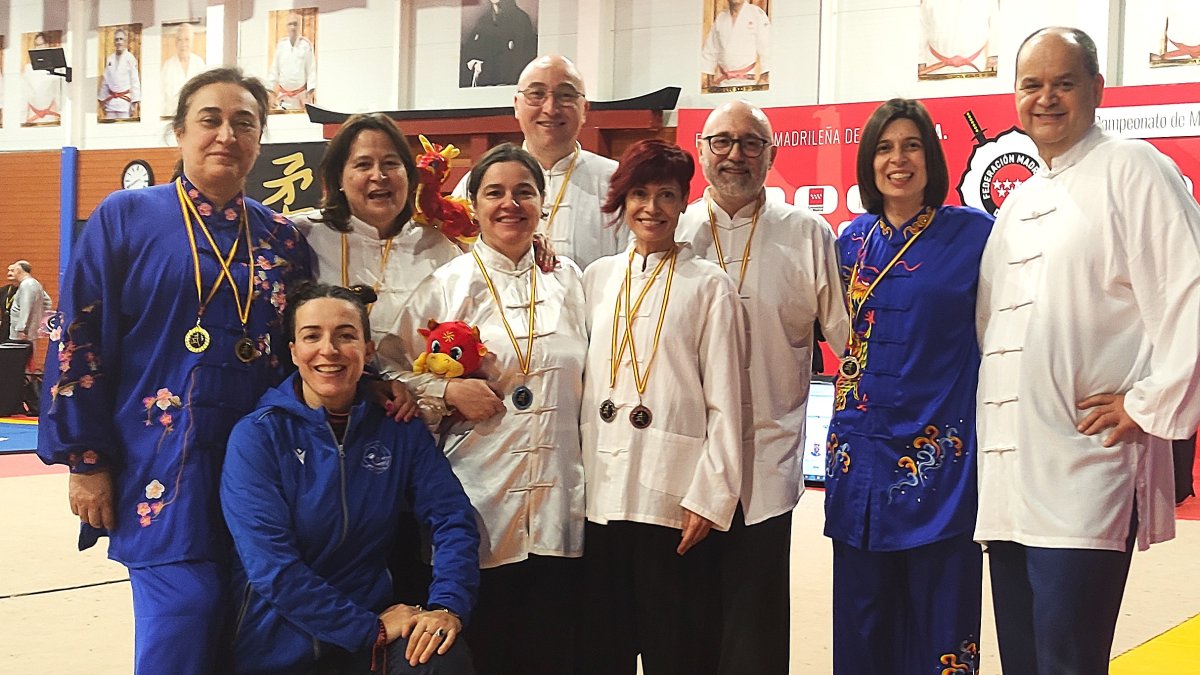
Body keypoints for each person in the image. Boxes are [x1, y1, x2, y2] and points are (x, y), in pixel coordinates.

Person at [37, 67, 311, 675]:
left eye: (244, 122)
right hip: (157, 460)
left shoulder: (283, 238)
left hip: (261, 462)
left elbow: (308, 350)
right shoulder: (126, 216)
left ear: (260, 139)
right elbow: (78, 337)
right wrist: (87, 461)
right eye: (209, 120)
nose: (226, 135)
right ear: (179, 133)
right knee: (183, 613)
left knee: (255, 622)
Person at [975, 27, 1200, 674]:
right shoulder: (1017, 204)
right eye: (1031, 85)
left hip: (1084, 474)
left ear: (1096, 89)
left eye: (1063, 82)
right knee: (1022, 661)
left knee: (1069, 661)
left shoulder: (1134, 168)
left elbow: (1191, 290)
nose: (1046, 98)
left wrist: (1146, 402)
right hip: (1009, 482)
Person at [381, 143, 588, 674]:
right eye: (494, 192)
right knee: (488, 651)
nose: (509, 204)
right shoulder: (448, 284)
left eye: (524, 192)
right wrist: (445, 392)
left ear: (543, 203)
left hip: (561, 501)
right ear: (472, 204)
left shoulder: (569, 279)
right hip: (477, 499)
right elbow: (384, 373)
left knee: (555, 652)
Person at [221, 283, 479, 674]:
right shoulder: (257, 436)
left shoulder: (397, 426)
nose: (329, 350)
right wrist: (367, 629)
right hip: (280, 648)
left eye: (346, 336)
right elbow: (273, 567)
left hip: (370, 640)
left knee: (437, 655)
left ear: (368, 351)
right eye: (312, 336)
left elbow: (452, 517)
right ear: (293, 351)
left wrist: (447, 606)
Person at [676, 100, 849, 675]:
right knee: (686, 630)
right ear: (700, 151)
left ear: (772, 155)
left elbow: (850, 346)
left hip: (767, 465)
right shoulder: (671, 233)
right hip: (683, 469)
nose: (735, 155)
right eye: (721, 141)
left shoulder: (807, 234)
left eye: (751, 143)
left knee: (756, 637)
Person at [823, 98, 993, 674]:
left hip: (938, 468)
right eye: (885, 148)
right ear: (869, 162)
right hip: (859, 462)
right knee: (861, 626)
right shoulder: (847, 243)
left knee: (940, 628)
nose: (898, 159)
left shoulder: (975, 236)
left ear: (932, 157)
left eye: (912, 145)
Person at [579, 139, 745, 675]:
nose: (652, 207)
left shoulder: (709, 285)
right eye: (640, 193)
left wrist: (711, 497)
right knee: (603, 646)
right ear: (623, 200)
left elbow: (725, 404)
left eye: (667, 195)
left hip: (673, 502)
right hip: (601, 494)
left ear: (683, 203)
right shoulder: (596, 278)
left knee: (678, 648)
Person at [454, 55, 622, 269]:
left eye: (565, 95)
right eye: (536, 94)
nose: (551, 109)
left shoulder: (618, 182)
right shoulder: (479, 183)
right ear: (516, 105)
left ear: (584, 110)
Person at [461, 0, 536, 88]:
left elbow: (519, 57)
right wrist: (474, 61)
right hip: (484, 84)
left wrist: (485, 65)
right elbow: (471, 50)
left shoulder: (521, 19)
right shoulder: (484, 20)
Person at [700, 0, 771, 90]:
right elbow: (711, 49)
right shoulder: (721, 17)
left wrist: (764, 78)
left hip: (748, 80)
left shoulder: (756, 13)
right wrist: (709, 80)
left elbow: (767, 47)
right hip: (722, 81)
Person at [268, 12, 316, 111]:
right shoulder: (281, 46)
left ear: (299, 26)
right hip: (283, 96)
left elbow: (311, 70)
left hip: (301, 96)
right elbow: (274, 71)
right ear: (286, 26)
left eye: (295, 24)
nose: (293, 27)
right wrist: (271, 94)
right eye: (290, 24)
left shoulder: (305, 45)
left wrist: (309, 94)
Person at [161, 23, 208, 115]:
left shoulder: (199, 63)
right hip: (172, 115)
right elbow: (161, 97)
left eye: (187, 40)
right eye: (179, 40)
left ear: (192, 42)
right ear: (175, 43)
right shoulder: (168, 66)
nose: (183, 44)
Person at [98, 27, 141, 120]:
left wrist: (135, 101)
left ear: (125, 42)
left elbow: (135, 81)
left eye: (121, 39)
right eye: (117, 39)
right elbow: (105, 80)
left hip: (124, 102)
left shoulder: (130, 58)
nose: (119, 42)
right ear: (114, 42)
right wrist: (101, 99)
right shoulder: (110, 59)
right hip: (111, 102)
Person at [23, 32, 62, 125]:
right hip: (33, 114)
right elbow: (25, 93)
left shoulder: (57, 68)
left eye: (41, 44)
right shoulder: (28, 68)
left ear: (47, 45)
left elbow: (59, 92)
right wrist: (23, 117)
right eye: (37, 45)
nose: (39, 48)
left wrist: (61, 113)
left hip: (52, 113)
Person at [7, 260, 49, 343]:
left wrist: (21, 328)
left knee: (20, 355)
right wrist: (39, 315)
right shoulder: (35, 283)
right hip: (31, 328)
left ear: (18, 271)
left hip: (23, 333)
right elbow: (47, 302)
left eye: (13, 270)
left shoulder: (26, 285)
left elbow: (25, 308)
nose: (10, 273)